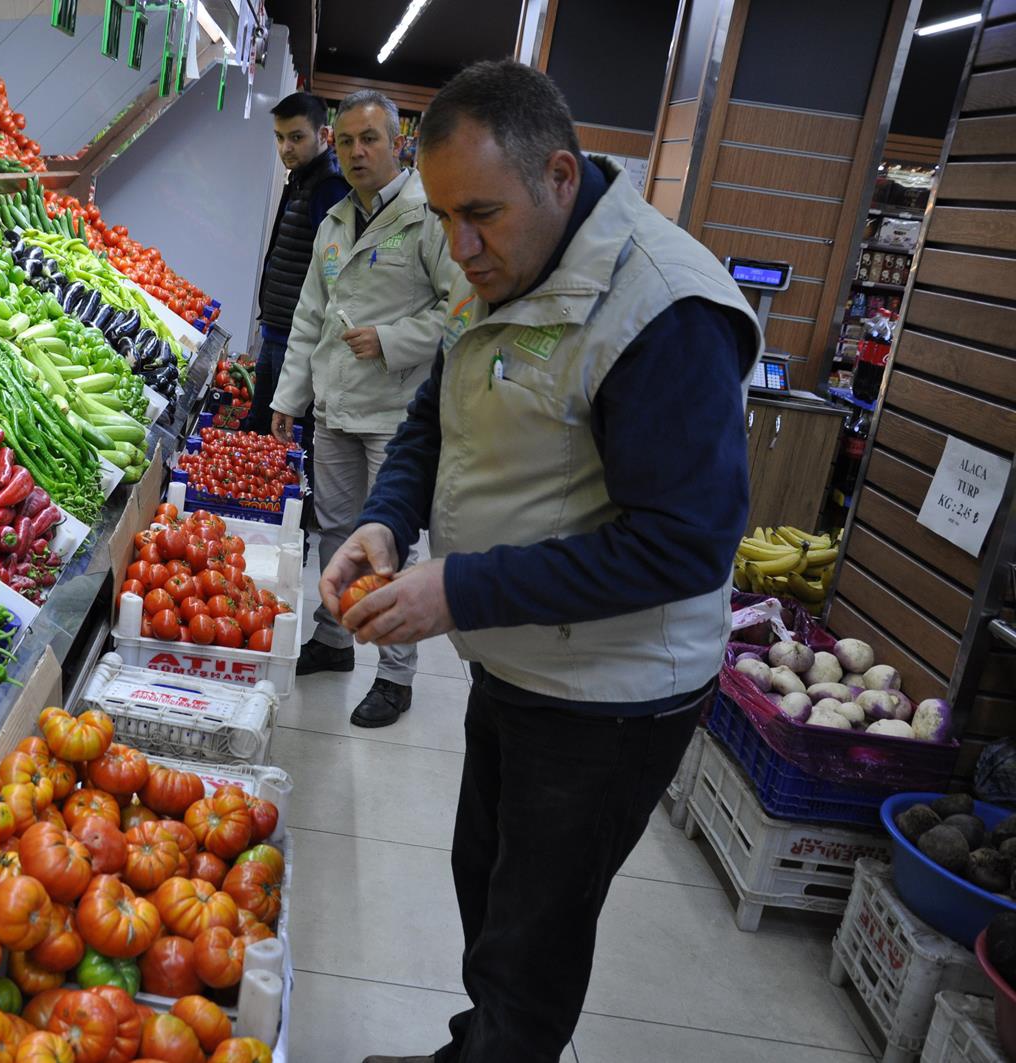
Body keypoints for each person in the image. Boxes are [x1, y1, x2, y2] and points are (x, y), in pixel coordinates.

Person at [325, 61, 761, 1063]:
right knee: (484, 878)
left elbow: (684, 544)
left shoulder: (663, 312)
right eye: (440, 216)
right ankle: (476, 1047)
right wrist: (389, 523)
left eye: (479, 214)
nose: (458, 246)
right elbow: (439, 416)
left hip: (612, 691)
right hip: (522, 656)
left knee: (533, 928)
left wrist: (461, 588)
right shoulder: (508, 262)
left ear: (562, 176)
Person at [270, 89, 461, 728]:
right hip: (335, 407)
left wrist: (392, 339)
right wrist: (289, 398)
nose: (357, 152)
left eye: (370, 139)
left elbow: (458, 312)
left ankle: (396, 675)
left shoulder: (427, 219)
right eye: (347, 141)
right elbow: (308, 320)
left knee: (388, 548)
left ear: (397, 143)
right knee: (333, 529)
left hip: (395, 413)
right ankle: (333, 638)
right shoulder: (334, 222)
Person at [246, 92, 350, 441]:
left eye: (296, 137)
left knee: (277, 440)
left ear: (324, 136)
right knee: (260, 431)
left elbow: (334, 272)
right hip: (277, 331)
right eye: (279, 137)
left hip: (296, 339)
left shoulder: (327, 188)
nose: (286, 147)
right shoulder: (302, 180)